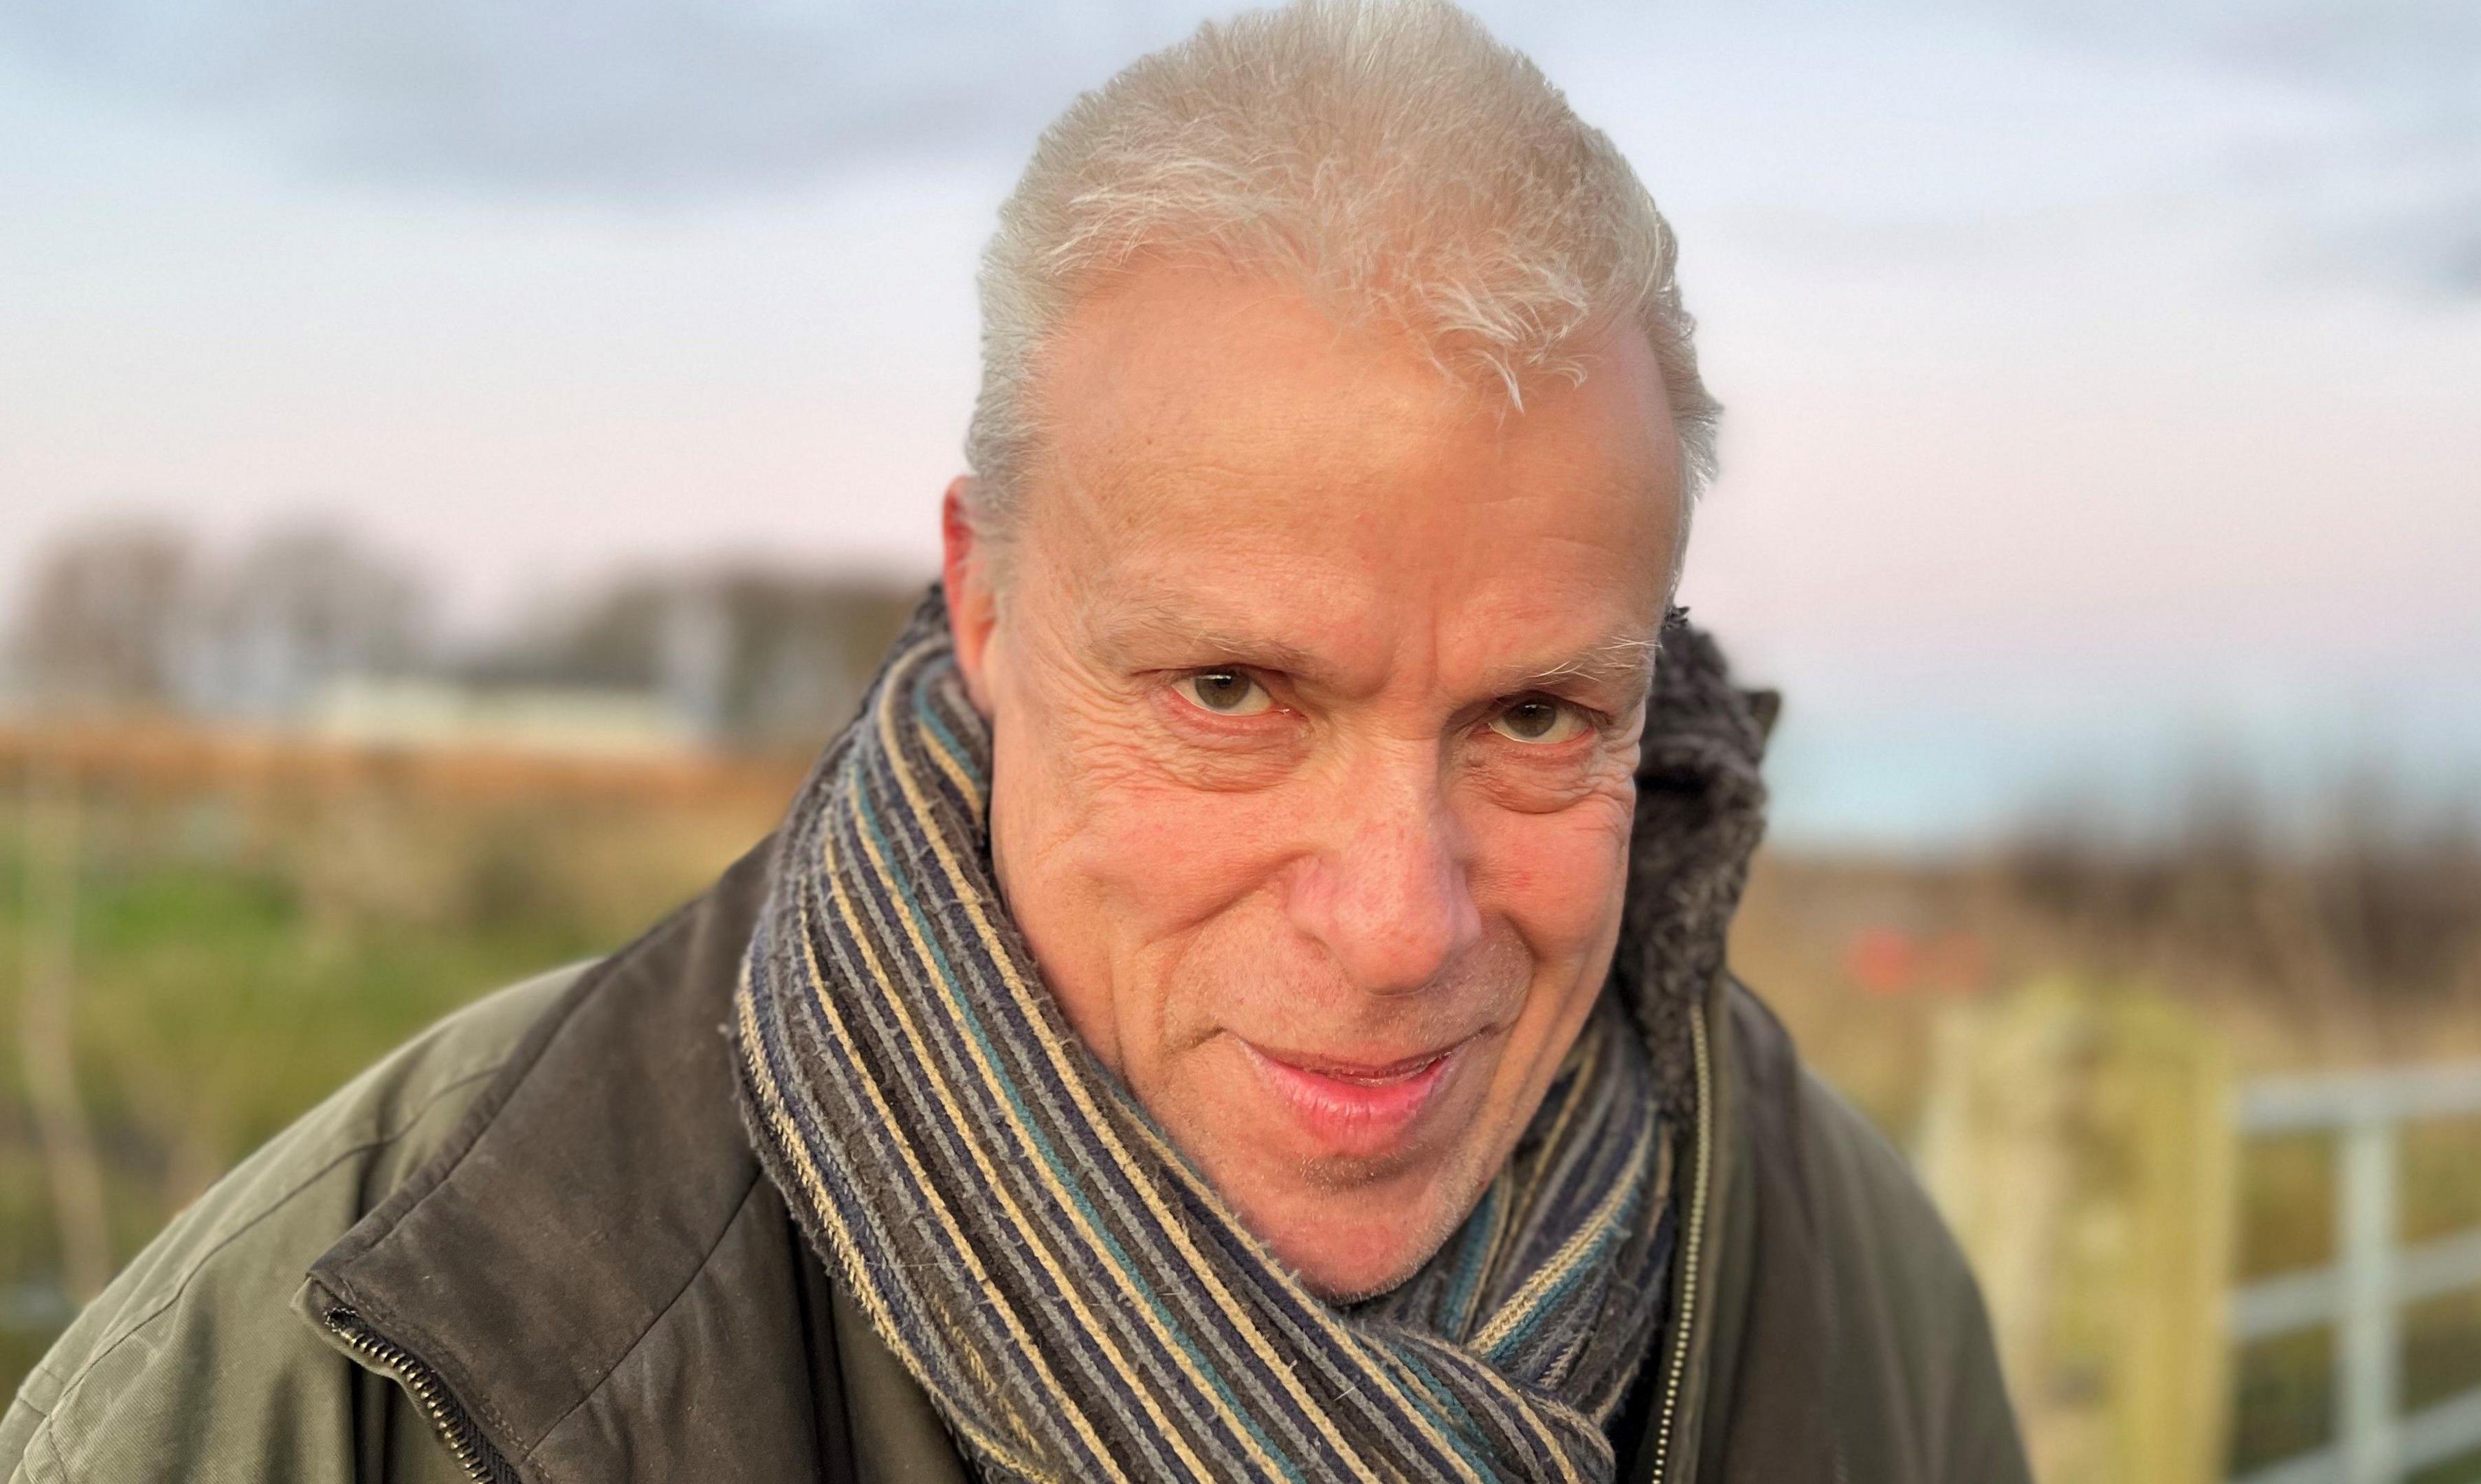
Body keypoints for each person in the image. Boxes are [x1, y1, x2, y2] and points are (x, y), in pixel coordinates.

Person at [3, 3, 2030, 1479]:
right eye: (1234, 695)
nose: (1399, 923)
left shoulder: (1852, 1284)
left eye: (1532, 718)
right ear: (987, 605)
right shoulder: (400, 1342)